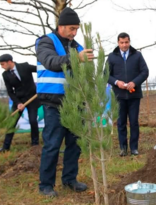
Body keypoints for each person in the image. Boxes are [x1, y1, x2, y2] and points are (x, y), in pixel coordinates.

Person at [36, 7, 94, 197]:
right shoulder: (45, 42)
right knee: (52, 144)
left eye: (76, 29)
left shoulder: (76, 46)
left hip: (75, 103)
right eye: (71, 28)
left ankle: (70, 179)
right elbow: (51, 62)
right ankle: (46, 185)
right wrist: (76, 58)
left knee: (74, 144)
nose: (74, 32)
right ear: (60, 26)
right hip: (54, 103)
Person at [108, 32, 149, 157]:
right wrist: (116, 82)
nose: (124, 45)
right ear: (118, 43)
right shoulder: (112, 57)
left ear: (129, 42)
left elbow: (145, 72)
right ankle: (123, 148)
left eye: (126, 42)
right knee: (121, 122)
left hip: (134, 96)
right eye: (122, 43)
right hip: (119, 96)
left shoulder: (137, 55)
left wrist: (134, 83)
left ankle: (134, 148)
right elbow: (106, 75)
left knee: (134, 122)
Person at [0, 54, 40, 152]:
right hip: (19, 100)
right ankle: (5, 147)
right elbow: (10, 91)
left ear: (9, 62)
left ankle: (35, 145)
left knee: (33, 121)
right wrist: (18, 103)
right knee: (12, 123)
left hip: (32, 98)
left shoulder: (25, 66)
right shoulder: (5, 75)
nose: (2, 66)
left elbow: (40, 70)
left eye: (3, 64)